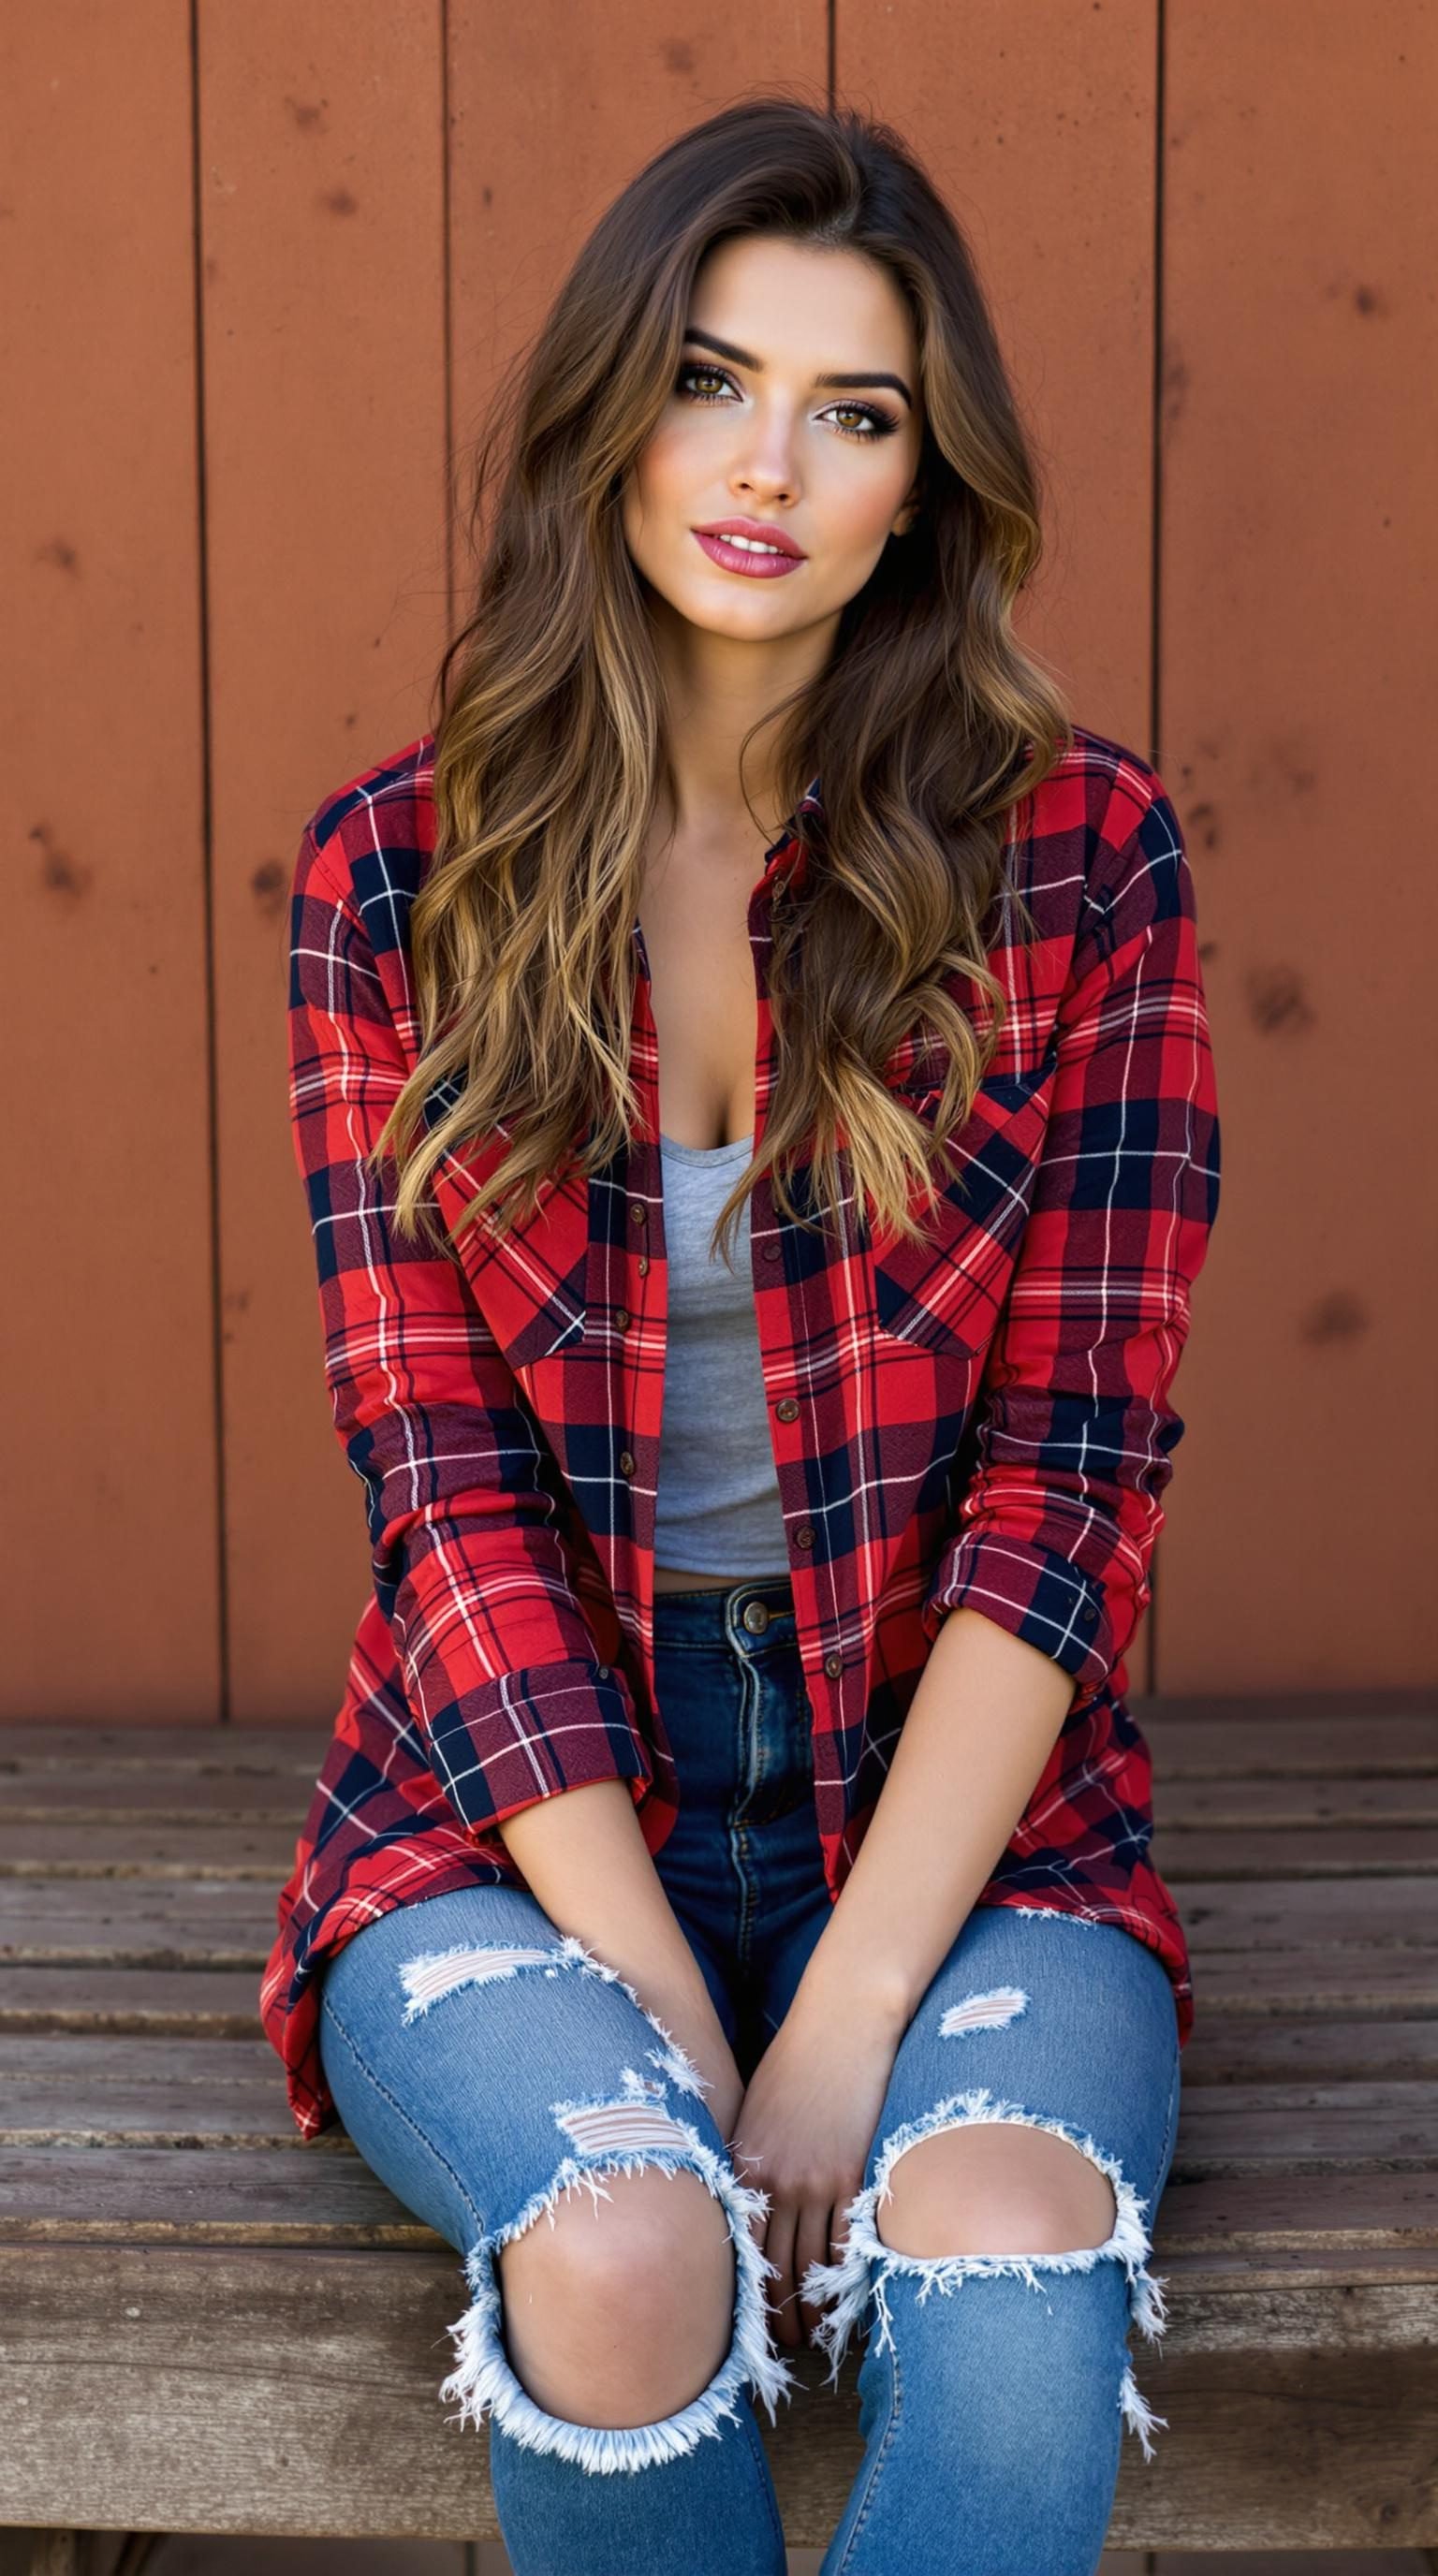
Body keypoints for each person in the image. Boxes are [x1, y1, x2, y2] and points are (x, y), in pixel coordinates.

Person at [258, 91, 1221, 2576]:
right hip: (517, 1817)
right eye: (711, 380)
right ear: (612, 418)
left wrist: (847, 2005)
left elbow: (1071, 1486)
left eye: (853, 410)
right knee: (621, 2241)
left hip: (961, 1807)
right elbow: (443, 1495)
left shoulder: (1082, 862)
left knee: (1004, 2266)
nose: (769, 463)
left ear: (924, 489)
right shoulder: (402, 879)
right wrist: (676, 2021)